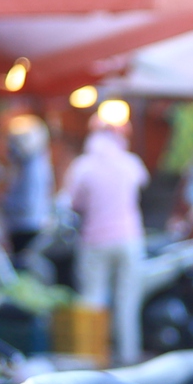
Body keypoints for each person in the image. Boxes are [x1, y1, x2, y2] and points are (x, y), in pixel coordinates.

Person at [62, 120, 148, 364]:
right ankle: (128, 356)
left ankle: (92, 356)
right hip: (130, 239)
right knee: (127, 301)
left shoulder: (83, 166)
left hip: (96, 240)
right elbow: (141, 184)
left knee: (93, 298)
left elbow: (73, 203)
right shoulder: (130, 162)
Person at [1, 118, 52, 263]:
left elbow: (26, 202)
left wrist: (5, 203)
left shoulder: (32, 167)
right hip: (27, 223)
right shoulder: (33, 163)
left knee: (23, 264)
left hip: (27, 225)